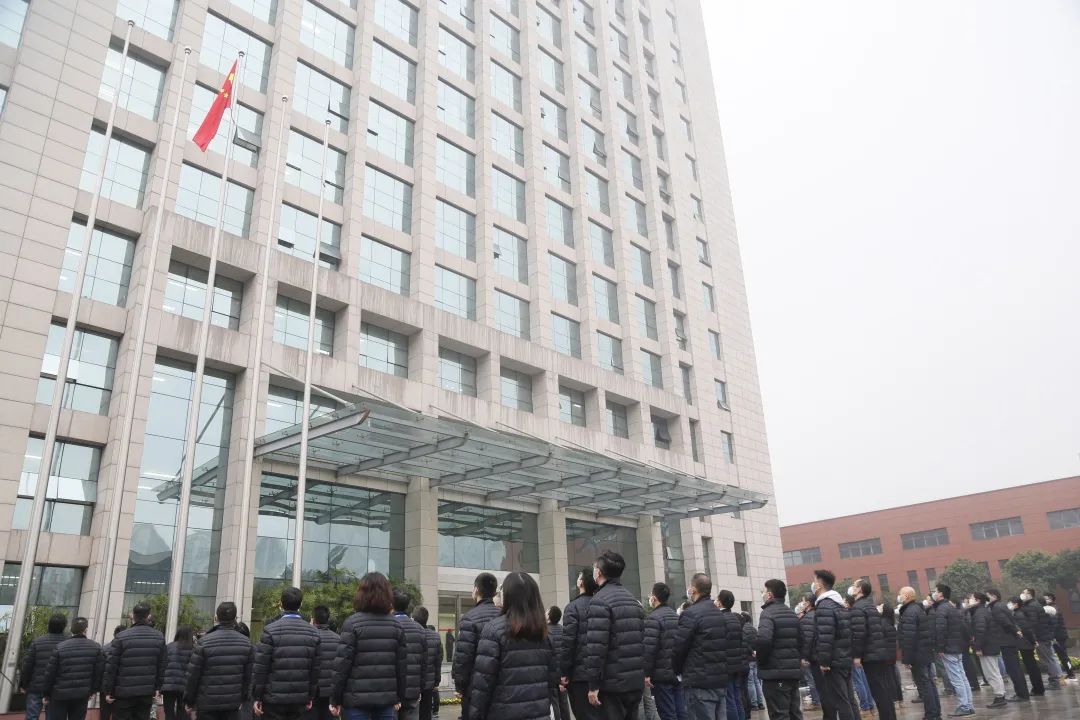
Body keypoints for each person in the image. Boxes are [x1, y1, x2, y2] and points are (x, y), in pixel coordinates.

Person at [465, 572, 556, 720]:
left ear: (508, 596)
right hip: (539, 713)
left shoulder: (493, 630)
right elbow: (552, 682)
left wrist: (475, 714)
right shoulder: (544, 633)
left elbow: (483, 684)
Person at [330, 572, 407, 720]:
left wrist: (335, 699)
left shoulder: (352, 623)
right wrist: (399, 697)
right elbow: (401, 667)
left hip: (355, 701)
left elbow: (342, 666)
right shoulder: (396, 626)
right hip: (386, 700)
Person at [584, 551, 646, 720]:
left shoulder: (599, 601)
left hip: (612, 686)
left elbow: (596, 648)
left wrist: (593, 685)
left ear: (598, 572)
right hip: (634, 683)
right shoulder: (633, 600)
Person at [672, 573, 738, 720]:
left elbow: (679, 647)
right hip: (719, 680)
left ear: (694, 589)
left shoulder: (690, 614)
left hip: (698, 681)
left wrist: (677, 670)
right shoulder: (719, 614)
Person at [252, 586, 321, 720]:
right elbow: (315, 669)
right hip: (300, 698)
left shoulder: (269, 631)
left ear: (281, 604)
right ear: (300, 604)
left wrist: (257, 697)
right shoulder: (313, 633)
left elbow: (261, 668)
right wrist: (310, 696)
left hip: (273, 699)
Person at [185, 601, 255, 720]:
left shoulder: (204, 642)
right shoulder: (246, 643)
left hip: (207, 702)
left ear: (216, 617)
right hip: (232, 704)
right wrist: (243, 697)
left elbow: (193, 674)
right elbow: (249, 676)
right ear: (235, 618)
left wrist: (189, 700)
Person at [102, 603, 166, 720]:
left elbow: (111, 666)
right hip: (146, 692)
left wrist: (108, 690)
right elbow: (162, 666)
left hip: (123, 692)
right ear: (148, 616)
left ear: (133, 616)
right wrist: (158, 687)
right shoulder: (159, 637)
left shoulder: (121, 637)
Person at [452, 573, 501, 720]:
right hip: (500, 685)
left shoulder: (469, 618)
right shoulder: (504, 616)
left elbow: (463, 657)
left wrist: (460, 686)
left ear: (476, 590)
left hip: (474, 687)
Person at [754, 579, 802, 720]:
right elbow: (801, 641)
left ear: (769, 595)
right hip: (792, 673)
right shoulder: (791, 613)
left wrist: (761, 661)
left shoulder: (768, 613)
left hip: (775, 674)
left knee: (779, 714)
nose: (762, 594)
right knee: (794, 713)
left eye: (763, 591)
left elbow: (763, 640)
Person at [810, 570, 855, 720]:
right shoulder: (838, 604)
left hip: (834, 662)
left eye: (814, 581)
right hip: (844, 658)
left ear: (819, 585)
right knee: (848, 699)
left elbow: (825, 636)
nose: (813, 584)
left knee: (841, 701)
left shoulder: (824, 606)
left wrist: (824, 662)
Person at [847, 581, 893, 720]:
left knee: (878, 691)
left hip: (870, 654)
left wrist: (856, 656)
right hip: (878, 652)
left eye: (855, 586)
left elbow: (858, 633)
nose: (852, 588)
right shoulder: (870, 605)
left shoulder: (858, 607)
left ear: (860, 589)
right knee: (884, 690)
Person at [41, 616, 103, 720]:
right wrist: (93, 690)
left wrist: (46, 694)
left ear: (71, 629)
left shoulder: (60, 647)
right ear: (86, 630)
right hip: (82, 694)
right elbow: (98, 672)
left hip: (59, 694)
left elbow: (50, 673)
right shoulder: (96, 647)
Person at [561, 568, 599, 720]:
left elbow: (568, 643)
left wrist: (564, 672)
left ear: (581, 583)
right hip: (601, 673)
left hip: (579, 675)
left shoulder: (572, 607)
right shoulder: (601, 604)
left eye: (579, 576)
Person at [930, 584, 973, 717]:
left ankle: (964, 706)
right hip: (957, 647)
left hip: (949, 648)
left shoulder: (941, 609)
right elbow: (963, 627)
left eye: (935, 591)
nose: (934, 593)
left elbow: (940, 629)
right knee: (962, 677)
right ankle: (969, 705)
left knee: (956, 679)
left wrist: (940, 647)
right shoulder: (951, 607)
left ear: (940, 594)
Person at [644, 583, 685, 720]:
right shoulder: (676, 617)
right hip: (677, 673)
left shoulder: (653, 618)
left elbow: (649, 649)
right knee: (681, 711)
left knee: (667, 713)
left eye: (650, 594)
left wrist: (647, 674)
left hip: (661, 675)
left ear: (654, 598)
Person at [897, 587, 939, 720]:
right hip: (924, 652)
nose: (899, 596)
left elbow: (909, 638)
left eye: (900, 594)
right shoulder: (917, 609)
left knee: (925, 685)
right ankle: (935, 713)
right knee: (929, 683)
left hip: (917, 654)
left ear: (907, 596)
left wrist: (907, 659)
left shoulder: (909, 612)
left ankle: (931, 714)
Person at [21, 613, 68, 720]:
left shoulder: (37, 642)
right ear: (64, 627)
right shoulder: (67, 643)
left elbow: (28, 665)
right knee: (53, 717)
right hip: (56, 688)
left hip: (36, 686)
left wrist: (24, 684)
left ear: (49, 625)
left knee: (31, 716)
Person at [984, 588, 1027, 702]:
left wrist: (1015, 631)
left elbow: (1006, 622)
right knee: (1015, 668)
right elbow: (1011, 621)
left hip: (1006, 641)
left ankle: (1022, 694)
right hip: (1009, 640)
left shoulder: (996, 608)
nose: (986, 598)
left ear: (994, 596)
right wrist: (1016, 630)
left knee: (1013, 669)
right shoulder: (1001, 605)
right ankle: (1022, 693)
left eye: (987, 596)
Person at [393, 589, 428, 720]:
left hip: (392, 692)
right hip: (413, 690)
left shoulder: (388, 626)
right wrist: (420, 688)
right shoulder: (420, 629)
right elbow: (424, 663)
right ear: (408, 607)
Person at [969, 592, 1007, 708]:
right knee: (994, 672)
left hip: (987, 647)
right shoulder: (983, 611)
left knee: (991, 673)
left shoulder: (980, 613)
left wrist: (978, 647)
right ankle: (1000, 695)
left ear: (977, 600)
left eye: (971, 598)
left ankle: (999, 697)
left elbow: (980, 631)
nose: (969, 600)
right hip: (990, 645)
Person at [713, 590, 745, 720]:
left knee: (729, 700)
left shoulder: (720, 619)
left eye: (716, 599)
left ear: (720, 602)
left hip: (725, 665)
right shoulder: (735, 618)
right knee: (737, 698)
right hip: (736, 664)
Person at [1024, 588, 1063, 687]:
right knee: (1048, 658)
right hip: (1045, 636)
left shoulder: (1036, 608)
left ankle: (1055, 680)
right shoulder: (1042, 609)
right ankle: (1055, 678)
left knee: (1047, 659)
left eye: (1024, 593)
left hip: (1042, 637)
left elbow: (1035, 624)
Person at [1009, 594, 1045, 696]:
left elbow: (1026, 630)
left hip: (1025, 644)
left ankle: (1038, 689)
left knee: (1032, 667)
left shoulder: (1019, 614)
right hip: (1025, 643)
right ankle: (1038, 688)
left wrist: (1033, 641)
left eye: (1011, 603)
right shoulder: (1017, 613)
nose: (1009, 605)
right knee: (1032, 667)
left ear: (1016, 604)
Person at [309, 606, 341, 720]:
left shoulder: (309, 637)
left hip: (312, 692)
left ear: (313, 619)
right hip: (331, 692)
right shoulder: (338, 639)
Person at [412, 607, 442, 720]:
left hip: (412, 683)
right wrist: (436, 682)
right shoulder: (435, 636)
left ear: (414, 618)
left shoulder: (411, 634)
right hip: (428, 683)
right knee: (426, 712)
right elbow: (438, 662)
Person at [162, 625, 194, 720]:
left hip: (168, 685)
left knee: (169, 712)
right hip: (185, 686)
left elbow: (163, 665)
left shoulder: (169, 647)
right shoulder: (193, 649)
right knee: (182, 711)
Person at [794, 595, 820, 711]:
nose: (802, 604)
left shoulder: (807, 618)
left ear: (809, 603)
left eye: (804, 602)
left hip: (810, 655)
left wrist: (804, 657)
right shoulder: (817, 614)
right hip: (817, 653)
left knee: (810, 679)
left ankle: (816, 701)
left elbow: (807, 639)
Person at [547, 607, 572, 720]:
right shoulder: (563, 630)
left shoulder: (546, 632)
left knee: (554, 702)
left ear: (549, 616)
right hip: (562, 672)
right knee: (564, 702)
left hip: (552, 673)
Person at [739, 613, 762, 714]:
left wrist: (751, 651)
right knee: (757, 681)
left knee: (750, 682)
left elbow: (745, 644)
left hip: (747, 658)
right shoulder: (753, 629)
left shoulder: (743, 630)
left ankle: (754, 704)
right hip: (755, 658)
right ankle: (760, 702)